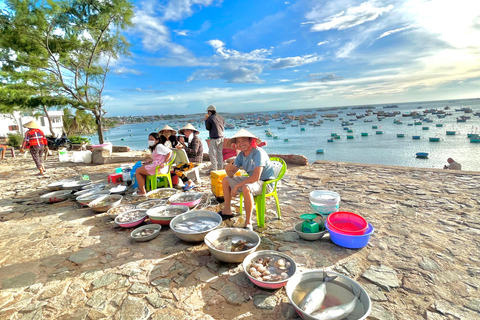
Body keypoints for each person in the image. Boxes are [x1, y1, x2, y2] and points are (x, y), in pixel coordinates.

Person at [219, 129, 275, 230]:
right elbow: (231, 174)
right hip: (253, 181)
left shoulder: (258, 153)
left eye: (244, 140)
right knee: (226, 180)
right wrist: (227, 168)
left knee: (246, 187)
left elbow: (256, 177)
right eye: (238, 142)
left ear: (250, 141)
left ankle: (248, 221)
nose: (241, 144)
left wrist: (237, 186)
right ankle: (227, 210)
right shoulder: (241, 155)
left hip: (266, 183)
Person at [133, 132, 173, 196]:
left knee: (137, 171)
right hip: (157, 165)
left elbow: (170, 152)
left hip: (159, 167)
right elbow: (159, 157)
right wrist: (151, 160)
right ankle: (142, 188)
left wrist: (165, 162)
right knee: (141, 168)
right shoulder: (155, 147)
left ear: (157, 141)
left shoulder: (159, 146)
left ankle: (142, 191)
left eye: (152, 139)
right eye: (149, 139)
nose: (150, 141)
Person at [175, 123, 203, 190]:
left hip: (195, 161)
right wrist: (182, 144)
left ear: (191, 131)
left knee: (177, 170)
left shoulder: (195, 139)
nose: (184, 133)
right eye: (184, 132)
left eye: (186, 131)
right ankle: (189, 182)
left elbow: (194, 151)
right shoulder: (191, 139)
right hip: (192, 160)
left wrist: (183, 147)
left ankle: (189, 182)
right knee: (177, 168)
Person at [205, 105, 225, 172]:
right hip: (222, 136)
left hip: (215, 137)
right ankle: (220, 167)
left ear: (210, 111)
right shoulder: (220, 117)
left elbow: (208, 128)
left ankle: (214, 168)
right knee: (219, 153)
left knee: (212, 153)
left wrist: (206, 120)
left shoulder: (210, 118)